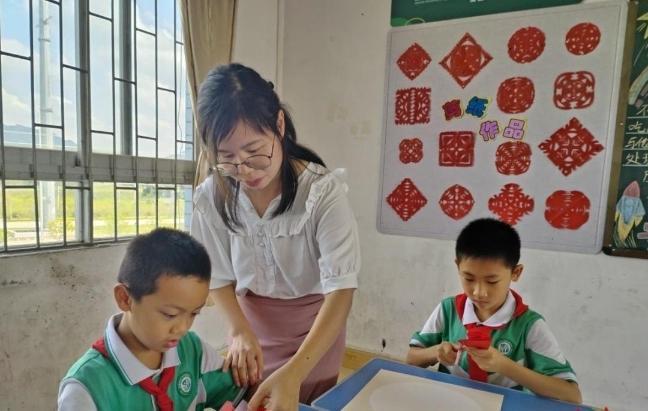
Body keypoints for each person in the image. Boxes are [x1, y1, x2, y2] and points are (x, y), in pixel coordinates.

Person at [191, 63, 360, 410]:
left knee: (304, 401)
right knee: (249, 400)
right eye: (227, 158)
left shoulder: (322, 192)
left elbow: (341, 290)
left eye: (255, 151)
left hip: (315, 331)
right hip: (250, 326)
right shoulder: (212, 196)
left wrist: (295, 372)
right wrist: (239, 330)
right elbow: (218, 276)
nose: (244, 170)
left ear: (279, 125)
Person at [57, 228, 245, 410]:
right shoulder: (86, 387)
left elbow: (244, 395)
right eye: (170, 315)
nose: (182, 328)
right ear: (125, 299)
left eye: (194, 313)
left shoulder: (192, 351)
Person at [406, 218, 582, 404]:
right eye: (469, 278)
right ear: (458, 266)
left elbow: (572, 395)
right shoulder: (448, 310)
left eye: (492, 281)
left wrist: (504, 366)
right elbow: (411, 358)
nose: (478, 292)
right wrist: (435, 352)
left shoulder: (529, 325)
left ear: (516, 273)